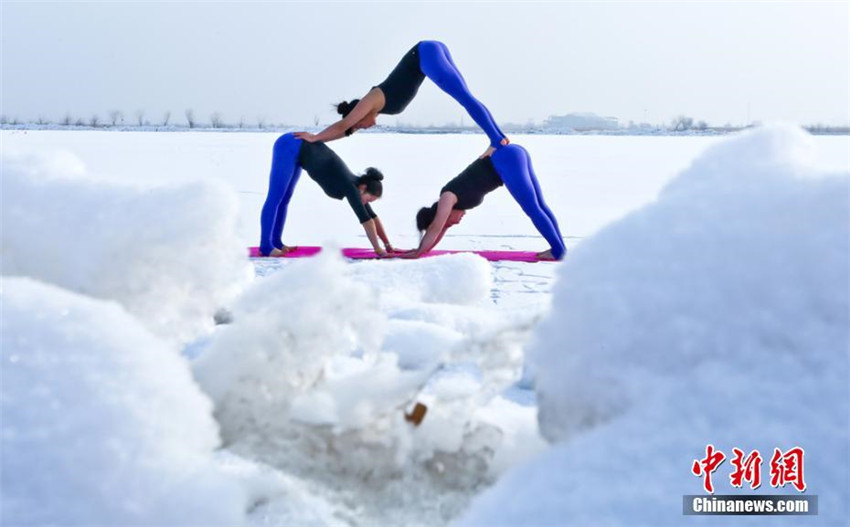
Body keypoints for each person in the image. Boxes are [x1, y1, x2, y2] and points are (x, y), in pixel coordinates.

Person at [294, 41, 510, 158]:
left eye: (359, 125)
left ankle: (495, 140)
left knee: (465, 98)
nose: (364, 128)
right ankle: (499, 138)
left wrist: (315, 137)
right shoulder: (376, 108)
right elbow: (345, 130)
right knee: (467, 97)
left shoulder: (370, 100)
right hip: (430, 51)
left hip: (424, 54)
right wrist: (323, 140)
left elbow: (344, 124)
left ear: (357, 114)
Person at [404, 144, 566, 261]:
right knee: (539, 207)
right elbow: (439, 230)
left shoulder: (446, 197)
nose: (457, 222)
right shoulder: (452, 205)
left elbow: (435, 227)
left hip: (505, 160)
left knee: (533, 209)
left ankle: (558, 251)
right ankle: (559, 249)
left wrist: (418, 252)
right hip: (512, 156)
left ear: (439, 215)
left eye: (450, 222)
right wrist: (424, 250)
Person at [258, 133, 393, 257]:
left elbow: (372, 217)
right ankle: (266, 246)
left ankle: (276, 242)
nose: (365, 203)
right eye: (368, 199)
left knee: (284, 199)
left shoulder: (357, 186)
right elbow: (367, 221)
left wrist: (387, 245)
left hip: (300, 151)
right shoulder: (350, 187)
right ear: (363, 188)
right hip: (290, 145)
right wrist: (379, 250)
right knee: (276, 197)